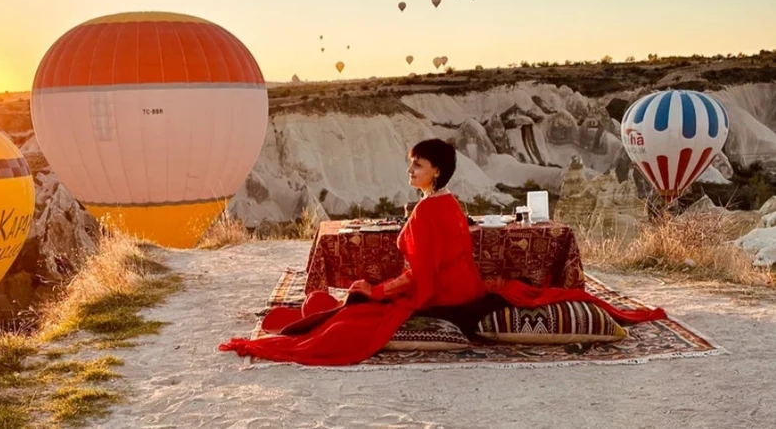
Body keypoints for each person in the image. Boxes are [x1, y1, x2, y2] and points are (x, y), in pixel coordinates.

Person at [218, 138, 667, 366]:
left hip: (445, 294)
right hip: (460, 285)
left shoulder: (432, 211)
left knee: (351, 315)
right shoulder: (446, 204)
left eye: (418, 164)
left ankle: (292, 334)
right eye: (410, 162)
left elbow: (419, 277)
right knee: (340, 307)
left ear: (437, 171)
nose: (410, 169)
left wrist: (375, 289)